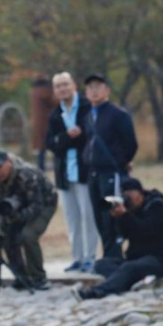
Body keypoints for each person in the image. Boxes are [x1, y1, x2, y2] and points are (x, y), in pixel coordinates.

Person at [74, 178, 163, 300]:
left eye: (130, 194)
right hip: (136, 260)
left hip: (159, 259)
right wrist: (117, 217)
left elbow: (147, 232)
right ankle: (133, 282)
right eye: (124, 195)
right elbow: (121, 236)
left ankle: (96, 292)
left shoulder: (156, 207)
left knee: (129, 268)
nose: (128, 199)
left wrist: (126, 216)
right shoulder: (130, 211)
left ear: (140, 193)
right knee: (101, 264)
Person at [44, 72, 98, 273]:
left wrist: (68, 139)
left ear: (74, 86)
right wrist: (67, 136)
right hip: (65, 173)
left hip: (85, 171)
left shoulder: (86, 106)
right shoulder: (54, 115)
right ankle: (77, 257)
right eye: (58, 86)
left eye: (65, 84)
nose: (63, 89)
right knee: (72, 219)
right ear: (55, 90)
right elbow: (51, 143)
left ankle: (90, 257)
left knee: (88, 215)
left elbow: (89, 134)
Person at [82, 73, 138, 263]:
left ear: (107, 90)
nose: (94, 91)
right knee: (98, 216)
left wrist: (120, 162)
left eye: (98, 86)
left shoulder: (118, 114)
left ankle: (114, 256)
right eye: (90, 88)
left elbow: (131, 143)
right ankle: (107, 255)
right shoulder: (89, 116)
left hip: (110, 173)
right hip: (93, 173)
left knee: (111, 215)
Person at [0, 149, 58, 290]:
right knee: (6, 236)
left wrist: (17, 218)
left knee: (28, 235)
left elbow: (37, 205)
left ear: (9, 162)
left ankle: (39, 277)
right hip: (20, 208)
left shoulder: (27, 174)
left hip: (45, 204)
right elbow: (0, 203)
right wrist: (2, 223)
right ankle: (21, 276)